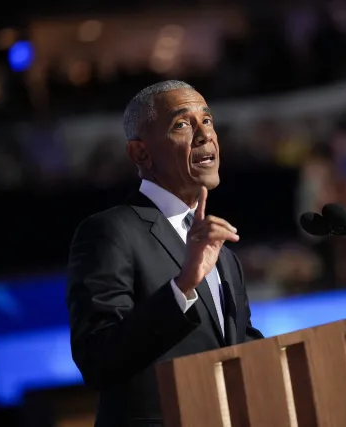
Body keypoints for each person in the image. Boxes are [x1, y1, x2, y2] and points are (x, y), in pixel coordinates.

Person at [66, 80, 264, 427]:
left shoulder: (223, 254)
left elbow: (238, 348)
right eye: (182, 124)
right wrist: (183, 284)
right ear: (140, 153)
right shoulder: (110, 232)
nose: (205, 135)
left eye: (208, 120)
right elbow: (97, 359)